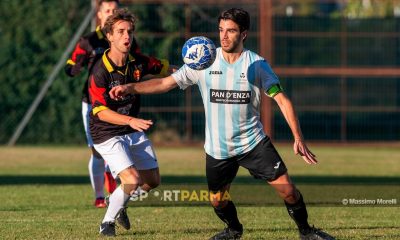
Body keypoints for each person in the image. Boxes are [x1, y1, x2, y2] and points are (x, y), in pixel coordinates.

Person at [109, 8, 335, 240]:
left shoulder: (257, 65)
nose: (224, 36)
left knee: (288, 191)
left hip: (253, 144)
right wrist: (130, 88)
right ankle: (234, 230)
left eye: (231, 31)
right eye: (221, 30)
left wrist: (298, 137)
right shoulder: (203, 61)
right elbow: (165, 83)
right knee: (218, 200)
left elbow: (282, 99)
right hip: (218, 149)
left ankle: (306, 231)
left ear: (244, 34)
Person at [65, 0, 162, 208]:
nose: (112, 13)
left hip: (122, 101)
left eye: (115, 10)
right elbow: (71, 66)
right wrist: (75, 66)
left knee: (124, 158)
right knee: (99, 151)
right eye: (107, 10)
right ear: (99, 15)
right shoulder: (89, 41)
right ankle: (100, 196)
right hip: (93, 103)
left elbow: (139, 62)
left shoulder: (125, 37)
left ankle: (117, 195)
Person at [88, 8, 170, 236]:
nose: (127, 36)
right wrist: (131, 120)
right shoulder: (99, 71)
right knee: (132, 179)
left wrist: (193, 72)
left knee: (152, 181)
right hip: (106, 132)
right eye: (121, 32)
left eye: (130, 32)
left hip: (131, 129)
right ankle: (106, 223)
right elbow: (100, 112)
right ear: (110, 36)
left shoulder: (138, 62)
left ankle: (117, 200)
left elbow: (167, 70)